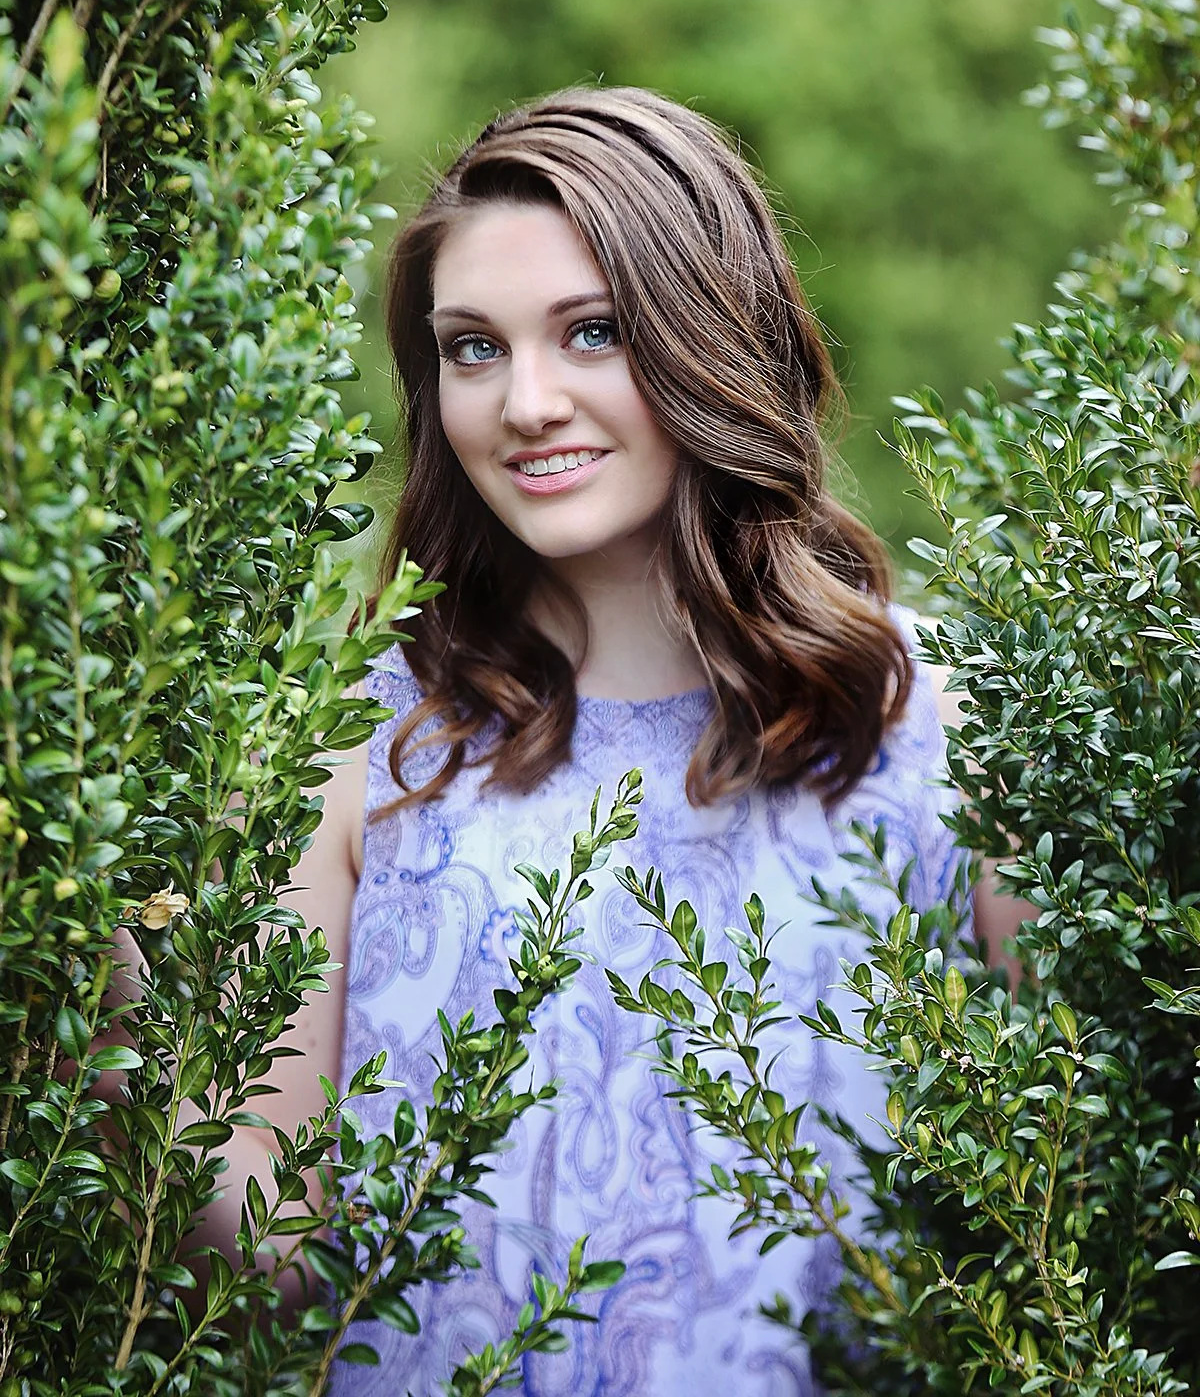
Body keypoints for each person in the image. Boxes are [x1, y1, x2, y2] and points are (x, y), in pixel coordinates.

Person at [253, 87, 1025, 1394]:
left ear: (709, 335)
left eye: (593, 332)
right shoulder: (348, 747)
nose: (526, 401)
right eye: (472, 348)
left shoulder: (943, 722)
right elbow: (269, 1259)